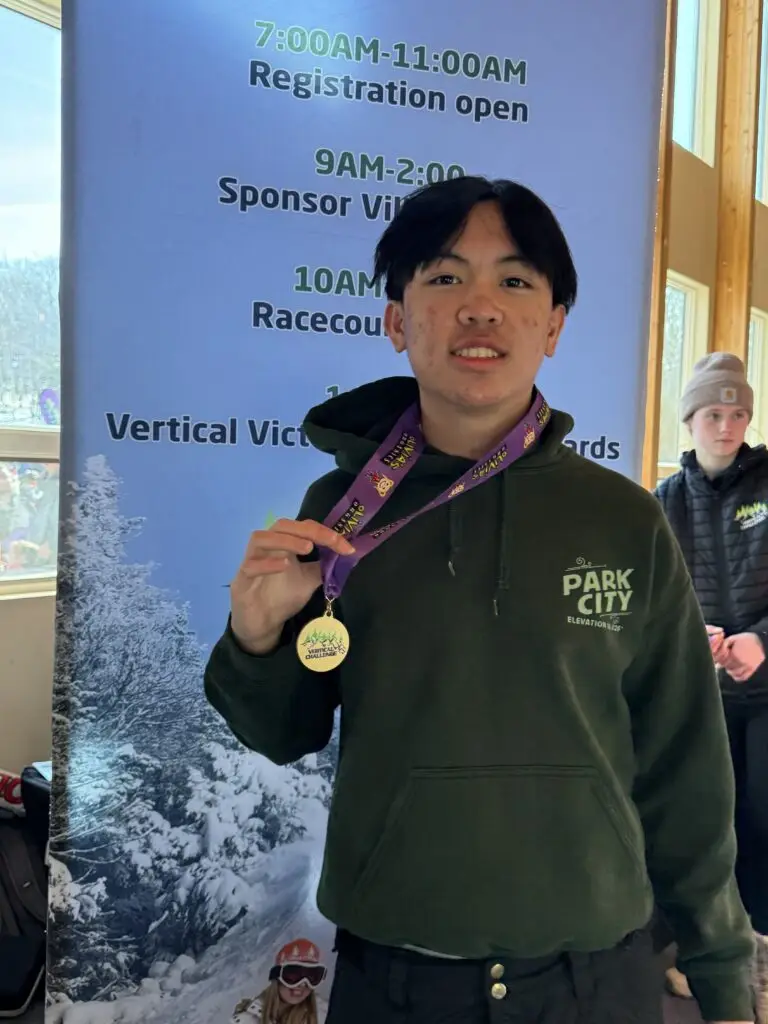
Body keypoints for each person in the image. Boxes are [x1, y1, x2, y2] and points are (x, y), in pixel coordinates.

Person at [205, 176, 754, 1024]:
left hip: (594, 981)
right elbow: (284, 734)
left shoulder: (624, 520)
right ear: (397, 320)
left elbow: (687, 763)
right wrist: (256, 638)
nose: (481, 306)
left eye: (515, 280)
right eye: (445, 277)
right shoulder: (340, 516)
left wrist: (723, 980)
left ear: (554, 326)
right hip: (396, 982)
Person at [654, 353, 768, 1018]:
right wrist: (690, 636)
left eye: (738, 414)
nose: (727, 426)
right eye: (714, 413)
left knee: (763, 817)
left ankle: (759, 957)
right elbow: (654, 602)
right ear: (690, 420)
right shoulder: (663, 502)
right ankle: (705, 954)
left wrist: (762, 641)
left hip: (767, 692)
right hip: (702, 697)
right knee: (707, 824)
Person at [230, 938, 328, 1023]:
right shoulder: (246, 1020)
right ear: (277, 977)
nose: (302, 984)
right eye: (293, 975)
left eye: (312, 976)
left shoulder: (325, 1014)